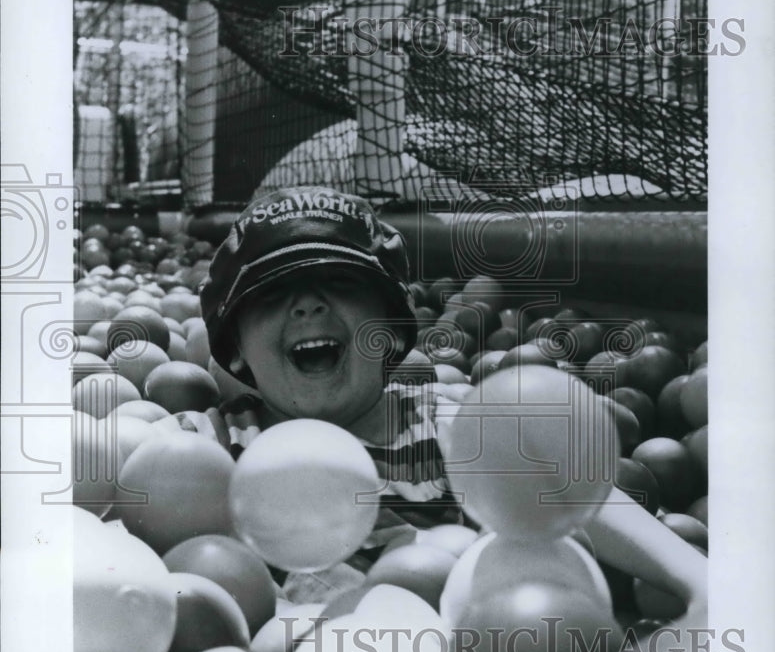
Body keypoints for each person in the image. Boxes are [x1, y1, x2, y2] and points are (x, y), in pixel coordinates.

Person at [176, 184, 707, 615]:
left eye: (339, 281)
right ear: (237, 349)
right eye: (272, 291)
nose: (308, 305)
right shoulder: (211, 448)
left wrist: (694, 580)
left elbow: (571, 491)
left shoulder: (449, 422)